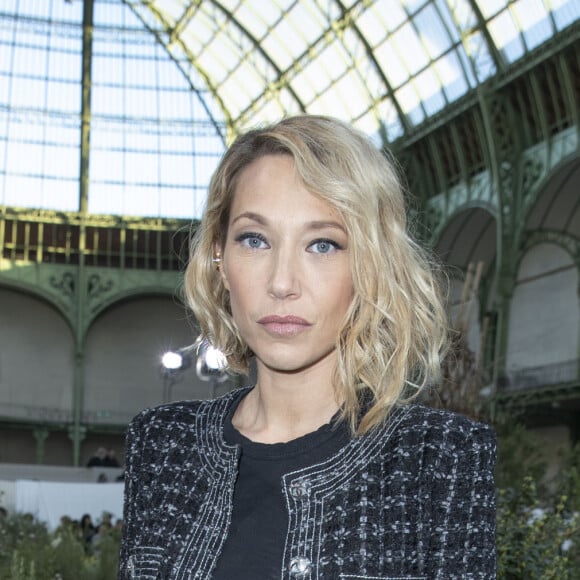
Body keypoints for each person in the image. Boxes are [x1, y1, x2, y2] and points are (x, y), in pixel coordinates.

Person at [118, 115, 496, 579]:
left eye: (322, 245)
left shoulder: (439, 459)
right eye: (254, 240)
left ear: (371, 265)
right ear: (220, 258)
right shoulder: (162, 444)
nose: (281, 283)